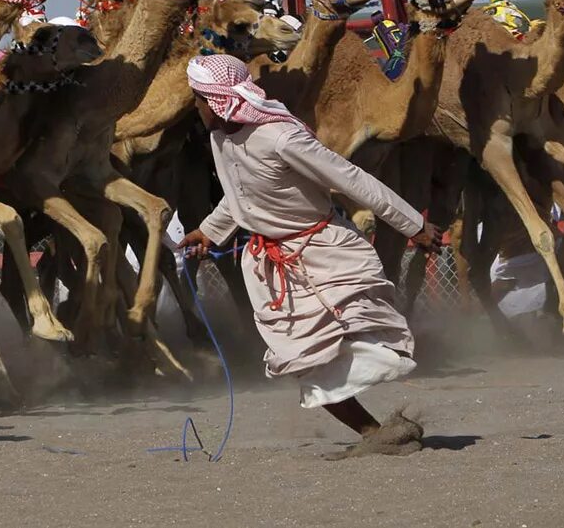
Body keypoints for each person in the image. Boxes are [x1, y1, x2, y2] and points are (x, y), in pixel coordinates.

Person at [178, 55, 442, 458]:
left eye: (198, 99)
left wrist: (411, 224)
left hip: (326, 253)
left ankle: (389, 408)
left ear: (215, 99)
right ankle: (375, 433)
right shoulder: (220, 139)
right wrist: (207, 231)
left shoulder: (281, 137)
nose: (194, 108)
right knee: (298, 360)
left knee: (363, 335)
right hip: (271, 269)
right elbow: (240, 195)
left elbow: (350, 179)